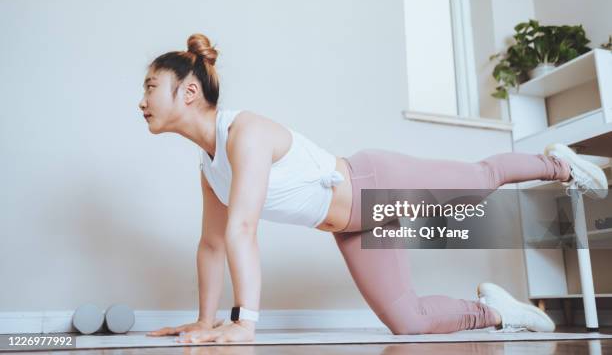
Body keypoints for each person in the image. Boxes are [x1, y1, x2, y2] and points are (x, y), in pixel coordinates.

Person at [141, 33, 609, 344]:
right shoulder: (209, 166)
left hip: (373, 183)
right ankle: (498, 312)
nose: (142, 101)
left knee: (481, 182)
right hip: (352, 226)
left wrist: (245, 322)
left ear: (188, 92)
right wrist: (205, 321)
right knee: (407, 322)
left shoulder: (244, 132)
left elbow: (243, 228)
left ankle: (558, 165)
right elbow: (212, 243)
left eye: (151, 87)